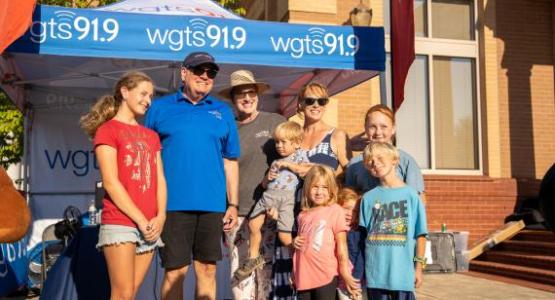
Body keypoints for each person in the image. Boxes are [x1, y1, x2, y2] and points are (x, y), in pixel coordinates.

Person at [144, 52, 240, 300]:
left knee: (207, 269)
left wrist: (233, 204)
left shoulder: (223, 111)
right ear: (184, 73)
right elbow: (145, 159)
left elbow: (230, 161)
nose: (205, 77)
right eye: (199, 71)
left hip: (212, 206)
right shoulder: (159, 108)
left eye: (211, 73)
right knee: (175, 272)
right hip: (172, 205)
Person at [80, 71, 166, 300]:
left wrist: (161, 217)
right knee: (122, 293)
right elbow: (110, 182)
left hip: (151, 224)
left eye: (151, 96)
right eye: (143, 94)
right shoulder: (107, 130)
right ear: (125, 92)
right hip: (121, 221)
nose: (148, 100)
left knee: (131, 293)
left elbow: (160, 180)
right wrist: (140, 219)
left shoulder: (151, 136)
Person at [218, 69, 286, 299]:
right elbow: (221, 170)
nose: (247, 98)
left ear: (258, 95)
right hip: (237, 212)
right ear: (233, 99)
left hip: (270, 212)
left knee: (267, 274)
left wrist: (282, 202)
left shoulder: (276, 122)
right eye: (241, 95)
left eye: (251, 93)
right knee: (241, 276)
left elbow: (293, 157)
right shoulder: (227, 128)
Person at [235, 121, 309, 281]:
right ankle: (253, 258)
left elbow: (308, 170)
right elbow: (263, 184)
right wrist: (266, 180)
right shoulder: (275, 162)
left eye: (283, 142)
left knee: (284, 236)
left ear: (296, 143)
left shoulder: (301, 155)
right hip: (268, 195)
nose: (279, 146)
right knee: (253, 224)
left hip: (286, 198)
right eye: (277, 142)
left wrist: (290, 165)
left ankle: (296, 262)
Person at [359, 142, 428, 299]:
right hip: (375, 276)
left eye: (379, 157)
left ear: (394, 160)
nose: (375, 162)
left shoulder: (411, 196)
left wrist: (418, 268)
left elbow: (421, 236)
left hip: (403, 276)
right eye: (370, 161)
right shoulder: (367, 198)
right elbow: (363, 239)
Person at [292, 165, 361, 300]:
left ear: (331, 190)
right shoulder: (302, 215)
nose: (319, 192)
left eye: (324, 187)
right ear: (307, 188)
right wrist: (294, 272)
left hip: (326, 274)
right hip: (303, 277)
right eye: (315, 186)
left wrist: (345, 272)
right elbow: (301, 249)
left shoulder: (335, 210)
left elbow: (341, 245)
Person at [345, 104, 426, 202]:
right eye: (372, 127)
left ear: (393, 129)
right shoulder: (354, 164)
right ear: (365, 128)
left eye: (384, 127)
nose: (378, 132)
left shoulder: (405, 160)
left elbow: (418, 200)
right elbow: (347, 200)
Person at [299, 82, 352, 174]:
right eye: (310, 101)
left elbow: (350, 173)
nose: (316, 105)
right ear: (300, 104)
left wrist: (326, 177)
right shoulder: (294, 135)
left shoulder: (337, 135)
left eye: (321, 101)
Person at [337, 187, 367, 300]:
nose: (350, 214)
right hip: (339, 283)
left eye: (354, 211)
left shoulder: (358, 232)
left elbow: (361, 258)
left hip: (356, 282)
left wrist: (356, 282)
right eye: (346, 208)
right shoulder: (334, 230)